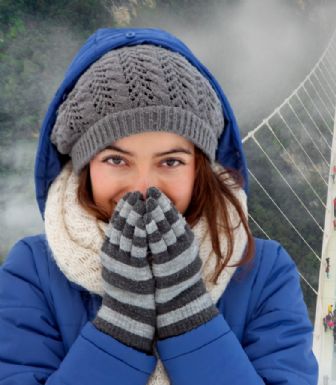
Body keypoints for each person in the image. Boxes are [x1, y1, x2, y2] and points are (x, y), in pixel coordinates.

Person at [0, 28, 317, 384]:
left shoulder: (262, 272)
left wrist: (189, 321)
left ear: (201, 168)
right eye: (117, 161)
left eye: (170, 162)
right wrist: (117, 333)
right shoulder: (33, 272)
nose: (144, 186)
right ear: (84, 165)